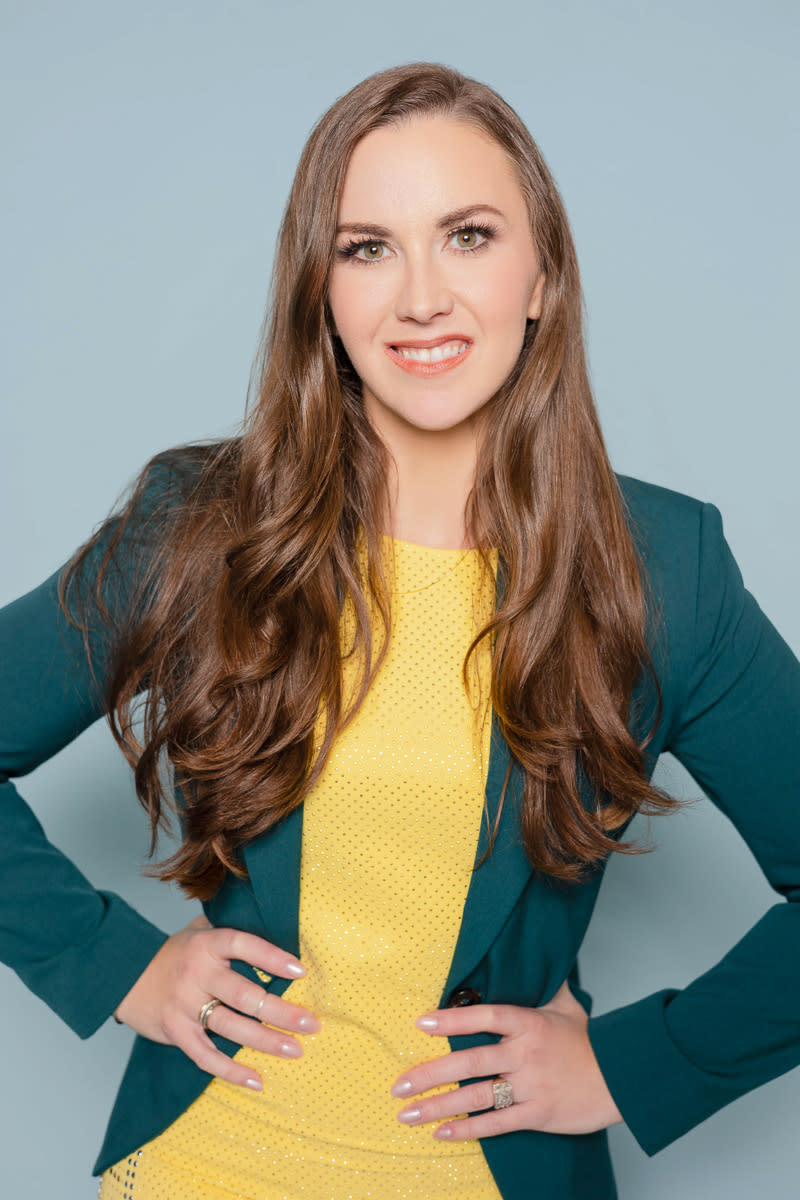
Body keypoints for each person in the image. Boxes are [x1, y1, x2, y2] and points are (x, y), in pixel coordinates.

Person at [1, 61, 798, 1200]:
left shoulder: (663, 569)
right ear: (319, 293)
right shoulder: (200, 526)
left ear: (543, 278)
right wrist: (112, 966)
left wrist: (642, 1063)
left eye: (467, 236)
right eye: (365, 247)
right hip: (209, 1166)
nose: (419, 296)